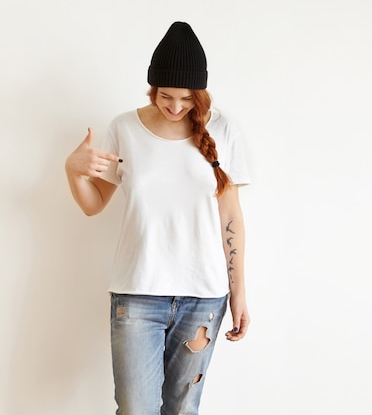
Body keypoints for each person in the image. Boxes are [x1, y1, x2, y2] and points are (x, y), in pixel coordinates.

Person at [64, 21, 250, 414]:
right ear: (152, 88)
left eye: (186, 98)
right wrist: (73, 171)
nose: (176, 106)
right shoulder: (124, 128)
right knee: (136, 409)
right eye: (166, 96)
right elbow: (93, 204)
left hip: (204, 297)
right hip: (137, 294)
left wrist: (239, 294)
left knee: (183, 410)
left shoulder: (223, 130)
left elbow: (230, 215)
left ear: (199, 92)